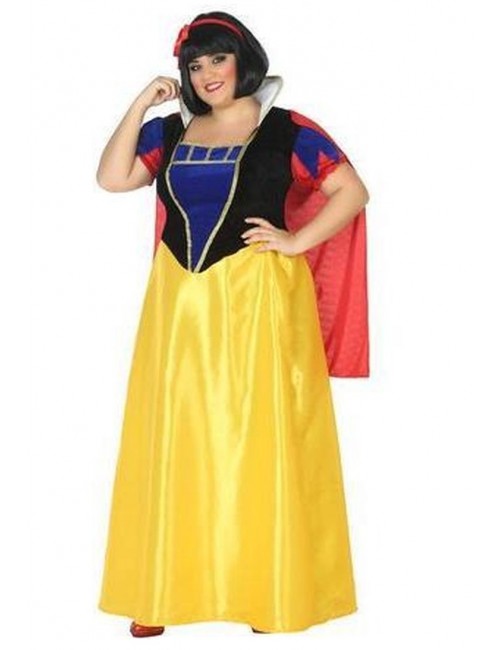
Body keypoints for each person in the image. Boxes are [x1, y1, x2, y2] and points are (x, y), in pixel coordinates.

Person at [96, 10, 370, 636]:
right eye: (195, 65)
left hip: (257, 296)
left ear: (243, 60)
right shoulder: (170, 130)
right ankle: (161, 592)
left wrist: (296, 241)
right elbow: (113, 178)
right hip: (179, 303)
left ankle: (266, 593)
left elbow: (352, 191)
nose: (207, 74)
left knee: (257, 435)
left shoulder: (289, 130)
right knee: (176, 435)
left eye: (217, 59)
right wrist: (141, 102)